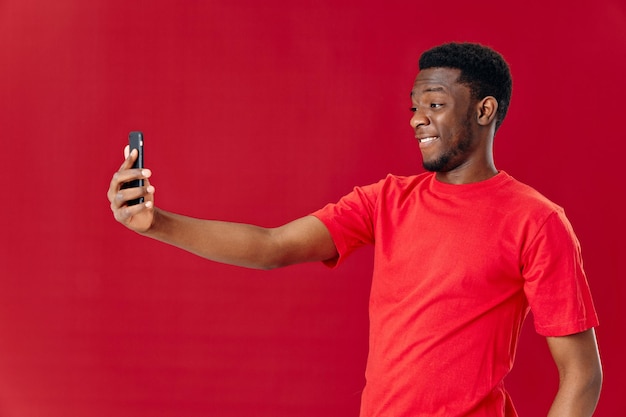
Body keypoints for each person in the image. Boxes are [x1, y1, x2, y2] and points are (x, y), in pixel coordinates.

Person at [107, 42, 602, 416]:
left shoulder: (536, 220)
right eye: (413, 106)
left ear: (484, 110)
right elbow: (272, 246)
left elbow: (582, 374)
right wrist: (156, 224)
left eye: (434, 104)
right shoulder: (385, 200)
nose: (416, 120)